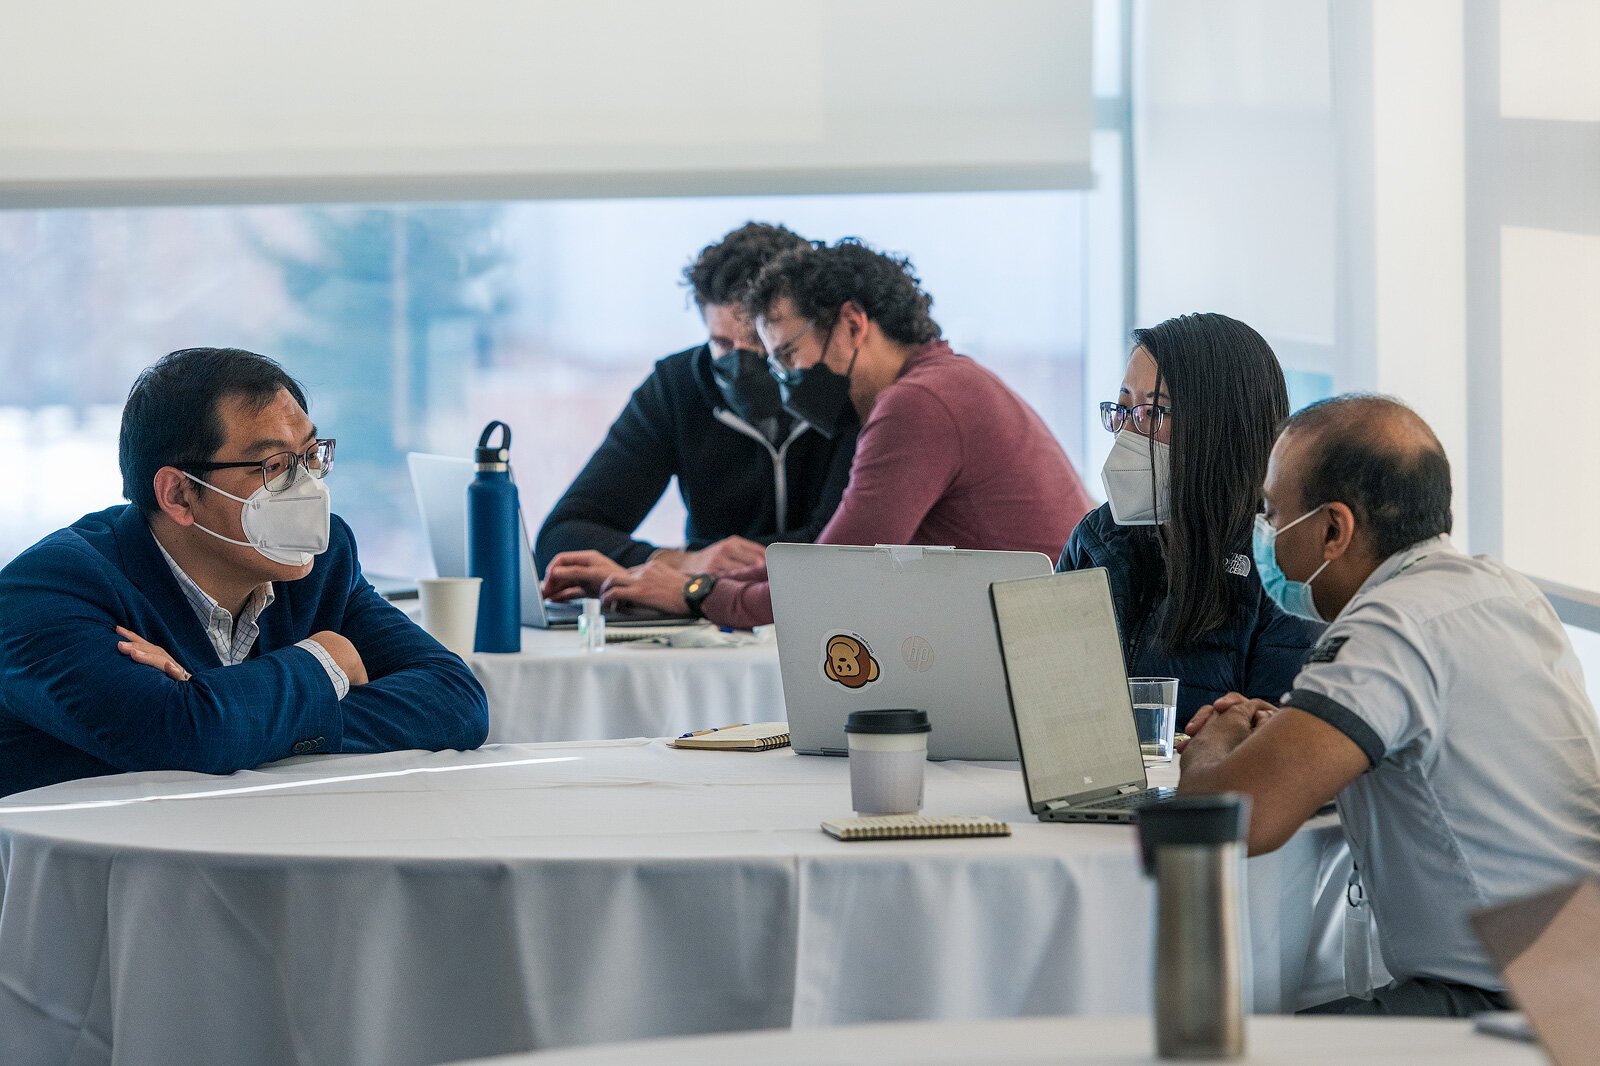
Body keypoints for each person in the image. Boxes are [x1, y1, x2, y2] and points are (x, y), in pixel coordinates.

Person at [1176, 394, 1600, 1016]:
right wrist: (1294, 734)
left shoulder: (1388, 628)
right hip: (1575, 975)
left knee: (1217, 1047)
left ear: (1333, 530)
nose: (1265, 536)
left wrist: (1214, 739)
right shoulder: (1503, 591)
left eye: (1273, 514)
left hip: (1507, 1005)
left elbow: (1225, 825)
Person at [0, 348, 489, 798]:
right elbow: (180, 738)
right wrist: (326, 661)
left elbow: (456, 701)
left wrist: (219, 711)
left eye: (311, 456)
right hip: (86, 878)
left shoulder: (319, 562)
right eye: (273, 465)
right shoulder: (49, 591)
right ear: (178, 495)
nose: (308, 487)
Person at [543, 238, 1096, 628]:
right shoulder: (944, 381)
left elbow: (833, 581)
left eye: (783, 356)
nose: (782, 384)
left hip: (1040, 646)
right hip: (1037, 631)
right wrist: (679, 572)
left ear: (853, 324)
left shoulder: (915, 405)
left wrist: (695, 592)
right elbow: (834, 556)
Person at [534, 222, 858, 577]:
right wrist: (684, 562)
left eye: (757, 339)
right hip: (706, 617)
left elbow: (842, 547)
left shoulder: (848, 388)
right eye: (723, 343)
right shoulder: (677, 388)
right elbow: (562, 536)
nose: (742, 361)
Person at [1057, 313, 1323, 731]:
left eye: (1154, 412)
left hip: (1212, 791)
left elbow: (1279, 741)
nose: (1128, 431)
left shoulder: (1284, 563)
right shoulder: (1097, 539)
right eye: (1123, 408)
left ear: (1220, 427)